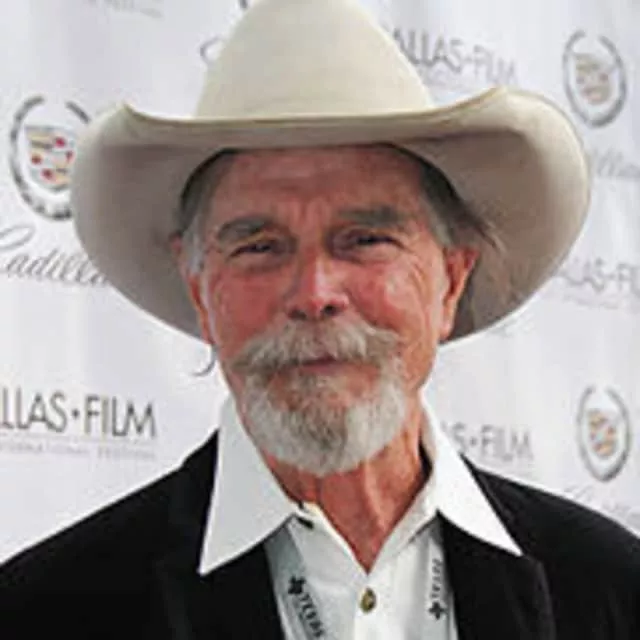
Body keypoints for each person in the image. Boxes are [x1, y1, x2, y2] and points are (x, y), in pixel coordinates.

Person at [2, 0, 639, 638]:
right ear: (200, 292)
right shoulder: (45, 611)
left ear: (451, 281)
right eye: (259, 247)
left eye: (364, 240)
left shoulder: (609, 588)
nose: (313, 293)